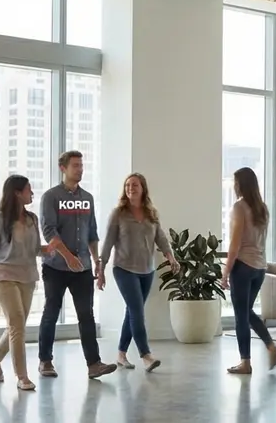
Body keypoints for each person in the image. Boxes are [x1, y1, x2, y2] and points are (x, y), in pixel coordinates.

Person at [37, 150, 116, 379]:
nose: (80, 169)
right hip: (56, 267)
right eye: (75, 166)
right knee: (51, 312)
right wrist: (67, 256)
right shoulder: (51, 197)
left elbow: (92, 233)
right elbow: (49, 230)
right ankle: (45, 361)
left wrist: (96, 261)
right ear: (63, 168)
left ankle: (94, 364)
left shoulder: (87, 198)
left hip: (82, 268)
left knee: (86, 315)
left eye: (81, 165)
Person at [0, 175, 52, 391]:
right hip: (4, 276)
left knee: (16, 326)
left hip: (27, 277)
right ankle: (22, 376)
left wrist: (51, 249)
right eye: (29, 189)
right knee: (17, 323)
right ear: (17, 193)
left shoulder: (32, 219)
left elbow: (36, 250)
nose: (32, 193)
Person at [97, 173, 179, 372]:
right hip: (124, 269)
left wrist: (171, 257)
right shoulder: (118, 213)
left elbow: (160, 237)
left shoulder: (152, 213)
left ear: (143, 188)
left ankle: (121, 354)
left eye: (134, 185)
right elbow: (108, 242)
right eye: (127, 185)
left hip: (146, 270)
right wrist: (101, 270)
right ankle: (146, 355)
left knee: (131, 312)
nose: (130, 188)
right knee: (137, 311)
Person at [221, 166, 276, 375]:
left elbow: (235, 243)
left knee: (241, 315)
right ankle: (270, 345)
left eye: (235, 182)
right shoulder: (262, 208)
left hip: (243, 267)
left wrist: (226, 271)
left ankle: (246, 362)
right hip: (259, 268)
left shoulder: (239, 207)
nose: (233, 185)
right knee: (246, 311)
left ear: (241, 184)